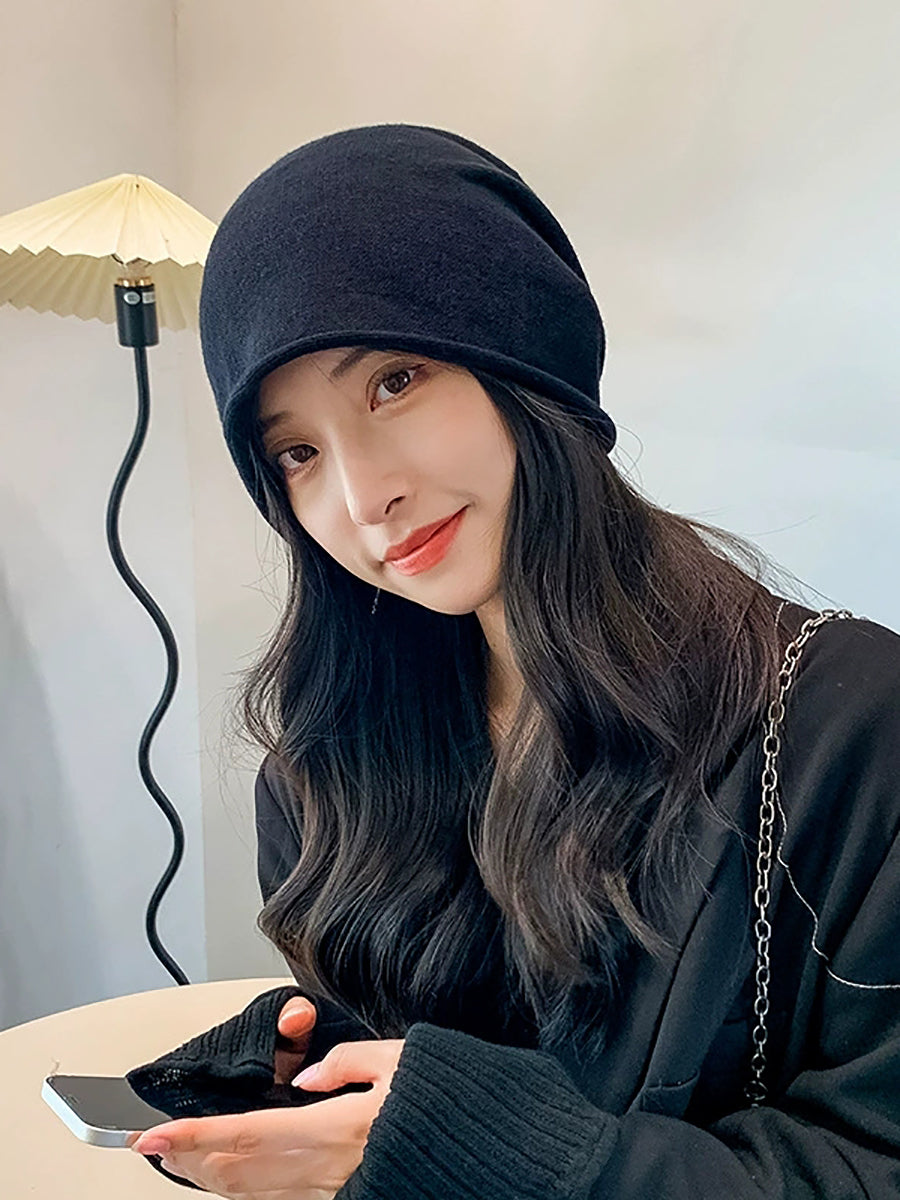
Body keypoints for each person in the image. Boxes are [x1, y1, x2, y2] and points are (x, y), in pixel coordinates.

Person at [129, 124, 900, 1198]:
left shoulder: (845, 734)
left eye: (395, 381)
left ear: (525, 357)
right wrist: (317, 1065)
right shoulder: (324, 774)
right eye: (296, 452)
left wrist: (483, 1153)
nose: (363, 497)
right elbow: (430, 1063)